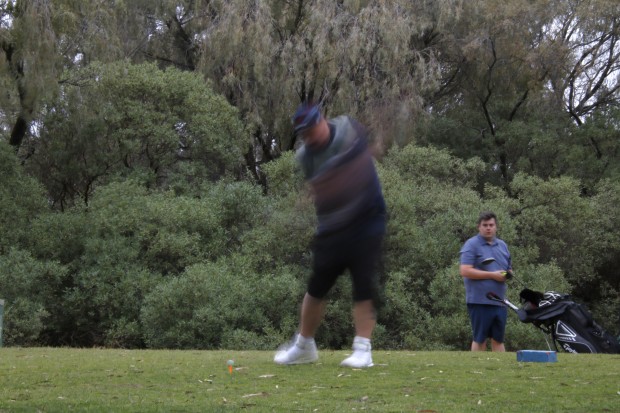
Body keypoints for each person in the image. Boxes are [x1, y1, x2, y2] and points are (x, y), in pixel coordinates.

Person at [274, 102, 387, 368]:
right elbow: (324, 190)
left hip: (368, 219)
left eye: (312, 129)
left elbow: (362, 164)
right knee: (317, 285)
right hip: (332, 225)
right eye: (304, 134)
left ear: (322, 120)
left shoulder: (347, 128)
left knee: (363, 281)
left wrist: (343, 175)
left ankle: (363, 350)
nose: (310, 137)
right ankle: (304, 346)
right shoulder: (306, 157)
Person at [459, 211, 512, 352]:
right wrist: (492, 275)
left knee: (498, 339)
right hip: (479, 301)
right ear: (479, 227)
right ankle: (476, 365)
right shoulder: (471, 245)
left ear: (496, 227)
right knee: (480, 338)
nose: (488, 228)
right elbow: (465, 270)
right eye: (485, 225)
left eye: (491, 225)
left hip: (500, 302)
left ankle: (500, 365)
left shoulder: (502, 245)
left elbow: (509, 269)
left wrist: (507, 275)